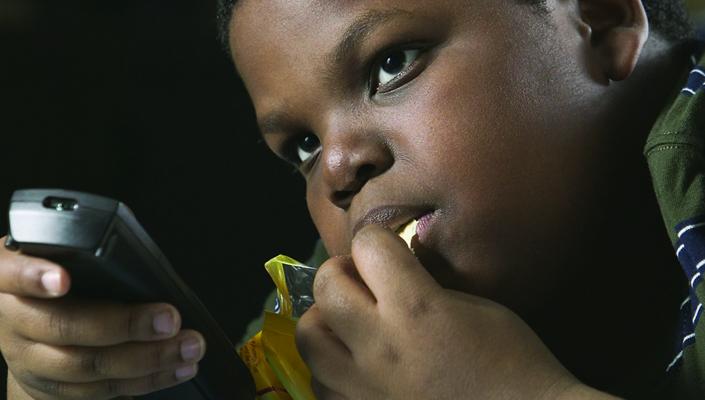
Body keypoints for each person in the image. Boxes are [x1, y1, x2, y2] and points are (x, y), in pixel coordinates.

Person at [1, 0, 704, 398]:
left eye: (390, 65)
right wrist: (52, 386)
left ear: (601, 20)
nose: (336, 167)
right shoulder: (342, 323)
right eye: (301, 147)